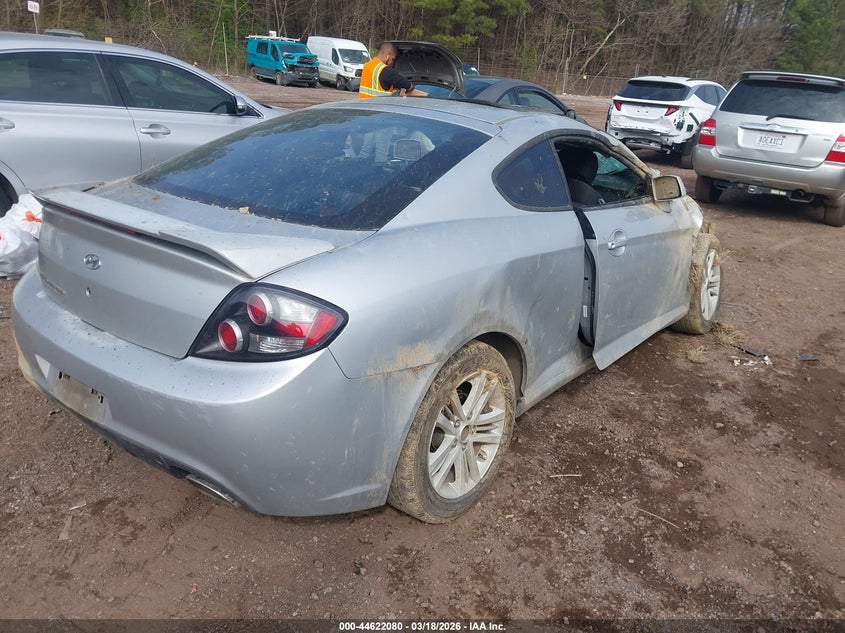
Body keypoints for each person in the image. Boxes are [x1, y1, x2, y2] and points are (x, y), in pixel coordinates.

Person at [359, 42, 425, 98]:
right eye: (392, 59)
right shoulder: (386, 70)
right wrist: (411, 88)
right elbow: (405, 84)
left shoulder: (367, 65)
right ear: (387, 55)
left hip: (364, 107)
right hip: (379, 109)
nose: (392, 62)